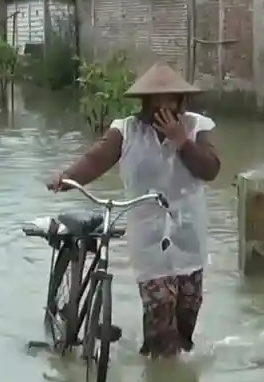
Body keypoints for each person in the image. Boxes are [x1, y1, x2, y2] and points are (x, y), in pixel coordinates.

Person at [46, 63, 220, 358]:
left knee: (188, 310)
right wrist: (67, 178)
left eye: (170, 100)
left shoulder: (197, 127)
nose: (163, 107)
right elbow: (95, 159)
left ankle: (175, 364)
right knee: (160, 304)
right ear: (146, 103)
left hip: (188, 233)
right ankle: (159, 377)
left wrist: (181, 141)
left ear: (180, 101)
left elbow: (210, 169)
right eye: (156, 101)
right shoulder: (125, 130)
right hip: (147, 233)